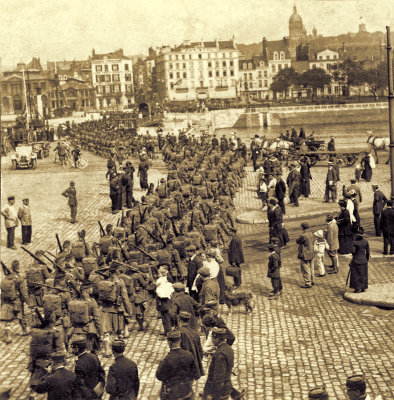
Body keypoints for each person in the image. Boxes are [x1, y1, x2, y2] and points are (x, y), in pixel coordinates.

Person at [156, 330, 196, 400]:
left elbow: (159, 376)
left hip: (172, 393)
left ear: (169, 342)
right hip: (186, 390)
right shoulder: (189, 355)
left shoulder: (167, 359)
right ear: (180, 341)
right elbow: (193, 373)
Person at [1, 260, 31, 341]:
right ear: (18, 267)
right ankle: (24, 331)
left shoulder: (5, 279)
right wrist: (30, 304)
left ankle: (9, 336)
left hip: (7, 301)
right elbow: (24, 293)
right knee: (20, 316)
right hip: (17, 301)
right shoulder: (19, 279)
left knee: (8, 320)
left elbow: (2, 293)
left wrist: (2, 304)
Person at [203, 327, 234, 400]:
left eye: (212, 338)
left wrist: (212, 394)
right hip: (227, 386)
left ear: (216, 339)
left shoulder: (219, 354)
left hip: (220, 392)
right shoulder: (229, 349)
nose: (211, 340)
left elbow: (218, 378)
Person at [178, 311, 204, 381]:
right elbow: (200, 351)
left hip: (184, 368)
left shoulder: (179, 333)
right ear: (189, 321)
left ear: (179, 320)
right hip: (193, 366)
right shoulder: (194, 332)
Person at [350, 226, 369, 293]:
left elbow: (353, 252)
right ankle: (363, 287)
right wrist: (366, 259)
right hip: (364, 260)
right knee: (363, 274)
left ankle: (357, 288)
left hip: (356, 260)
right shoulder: (365, 241)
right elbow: (368, 252)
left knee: (356, 274)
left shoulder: (354, 242)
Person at [296, 222, 315, 289]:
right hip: (312, 253)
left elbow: (297, 241)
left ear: (303, 227)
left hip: (305, 254)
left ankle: (308, 283)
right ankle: (313, 281)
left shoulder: (303, 235)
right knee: (311, 268)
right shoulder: (311, 234)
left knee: (305, 269)